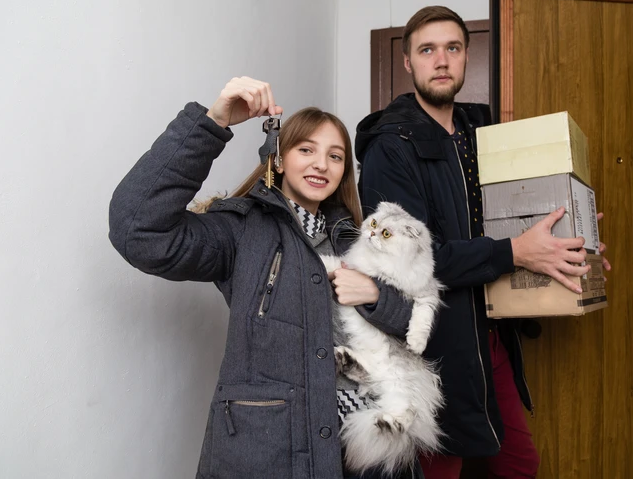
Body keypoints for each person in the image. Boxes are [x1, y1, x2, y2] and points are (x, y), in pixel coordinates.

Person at [109, 76, 422, 479]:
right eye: (306, 149)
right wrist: (213, 122)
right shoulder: (241, 231)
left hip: (370, 448)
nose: (321, 164)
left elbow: (417, 324)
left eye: (335, 156)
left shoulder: (361, 241)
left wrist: (376, 296)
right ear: (279, 158)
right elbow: (138, 230)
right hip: (275, 453)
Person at [354, 6, 611, 479]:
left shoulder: (481, 136)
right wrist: (516, 251)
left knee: (519, 465)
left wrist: (571, 238)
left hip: (489, 336)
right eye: (427, 50)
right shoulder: (390, 148)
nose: (441, 60)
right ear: (408, 62)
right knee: (439, 471)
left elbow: (507, 216)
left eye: (452, 47)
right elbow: (408, 262)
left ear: (466, 56)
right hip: (432, 348)